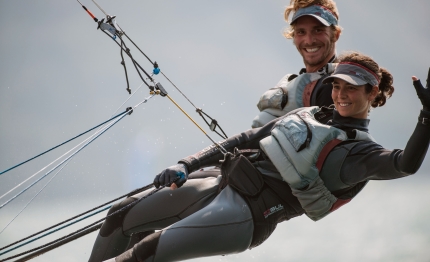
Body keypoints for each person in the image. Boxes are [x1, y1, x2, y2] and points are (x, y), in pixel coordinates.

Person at [89, 51, 430, 261]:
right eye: (338, 85)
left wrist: (426, 119)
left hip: (247, 215)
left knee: (145, 252)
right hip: (222, 183)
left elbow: (405, 165)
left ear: (372, 93)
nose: (341, 93)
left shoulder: (361, 152)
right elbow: (249, 136)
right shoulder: (312, 113)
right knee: (121, 215)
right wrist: (185, 164)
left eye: (352, 88)